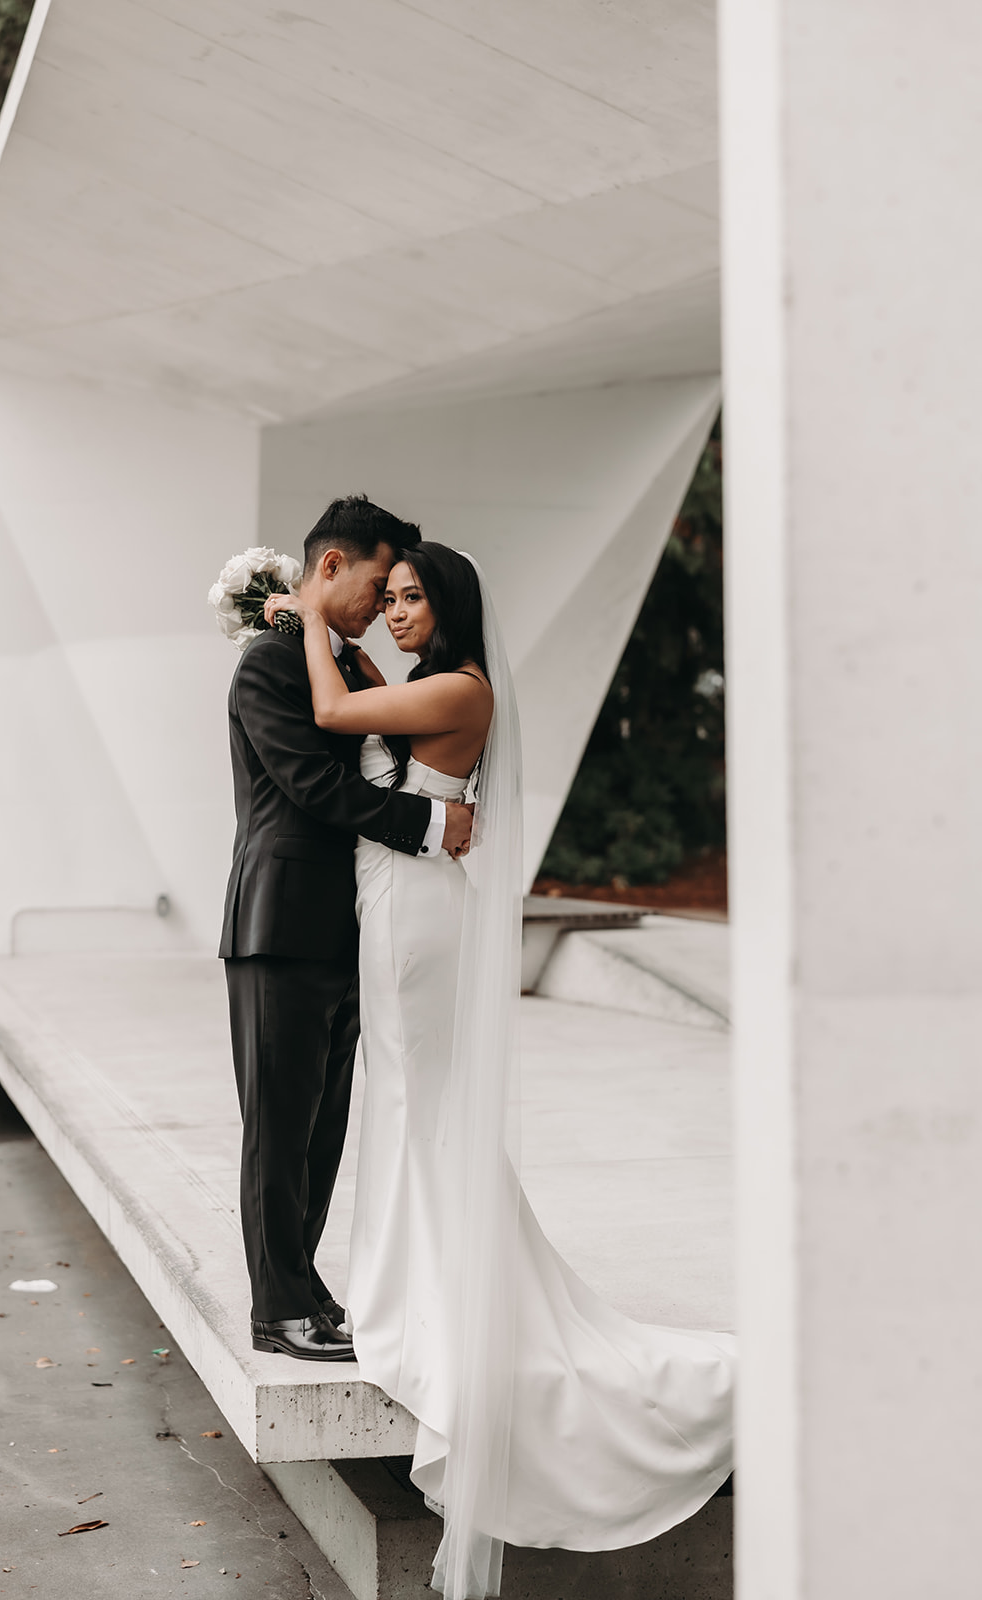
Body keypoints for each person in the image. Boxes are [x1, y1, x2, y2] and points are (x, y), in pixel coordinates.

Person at [265, 541, 736, 1600]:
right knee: (403, 1094)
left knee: (418, 1092)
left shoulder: (459, 687)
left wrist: (304, 619)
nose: (392, 610)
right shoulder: (425, 681)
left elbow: (338, 722)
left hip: (417, 910)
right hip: (394, 893)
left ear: (451, 605)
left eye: (410, 596)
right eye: (383, 598)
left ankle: (434, 1286)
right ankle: (415, 1272)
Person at [221, 496, 474, 1363]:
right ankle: (276, 1307)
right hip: (279, 922)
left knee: (324, 1125)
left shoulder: (347, 665)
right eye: (377, 581)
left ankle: (302, 1285)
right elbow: (310, 787)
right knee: (278, 1123)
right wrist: (424, 827)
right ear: (331, 567)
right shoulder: (268, 664)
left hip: (353, 926)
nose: (382, 602)